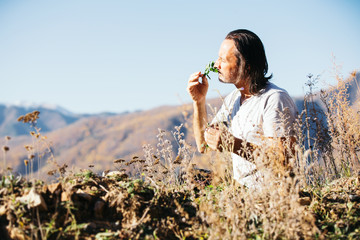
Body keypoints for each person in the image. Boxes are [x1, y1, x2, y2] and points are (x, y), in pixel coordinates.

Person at [187, 29, 297, 188]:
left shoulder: (274, 99)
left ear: (247, 67)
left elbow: (282, 161)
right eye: (218, 58)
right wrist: (199, 101)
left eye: (223, 60)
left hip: (272, 197)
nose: (216, 65)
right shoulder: (234, 98)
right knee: (191, 175)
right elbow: (203, 145)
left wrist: (233, 144)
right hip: (241, 191)